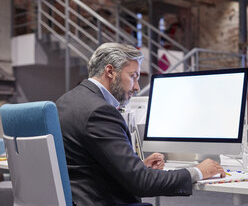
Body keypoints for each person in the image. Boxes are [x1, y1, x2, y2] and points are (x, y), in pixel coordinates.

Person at [56, 43, 225, 205]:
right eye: (133, 76)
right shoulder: (100, 111)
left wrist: (136, 167)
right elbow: (142, 183)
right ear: (110, 71)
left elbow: (84, 166)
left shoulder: (64, 102)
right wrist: (197, 172)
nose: (137, 87)